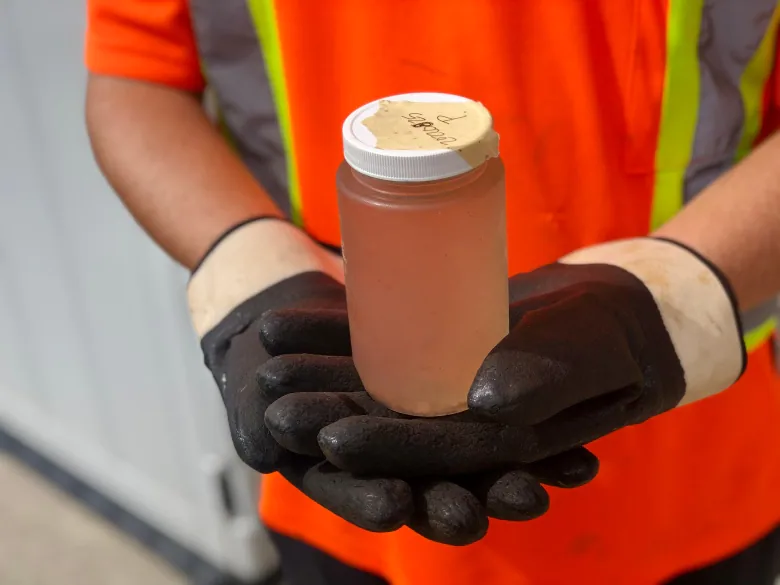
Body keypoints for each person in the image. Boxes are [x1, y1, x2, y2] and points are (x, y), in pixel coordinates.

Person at [84, 1, 780, 584]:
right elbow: (135, 74)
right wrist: (251, 268)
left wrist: (677, 290)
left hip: (690, 482)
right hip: (345, 469)